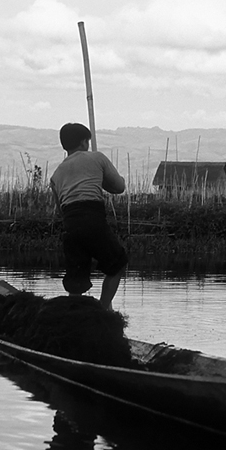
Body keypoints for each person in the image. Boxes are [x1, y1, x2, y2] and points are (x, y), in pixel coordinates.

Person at [50, 122, 128, 310]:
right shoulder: (97, 158)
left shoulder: (56, 174)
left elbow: (61, 210)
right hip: (92, 217)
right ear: (85, 142)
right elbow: (119, 187)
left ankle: (76, 317)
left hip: (70, 224)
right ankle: (103, 309)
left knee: (76, 279)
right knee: (117, 263)